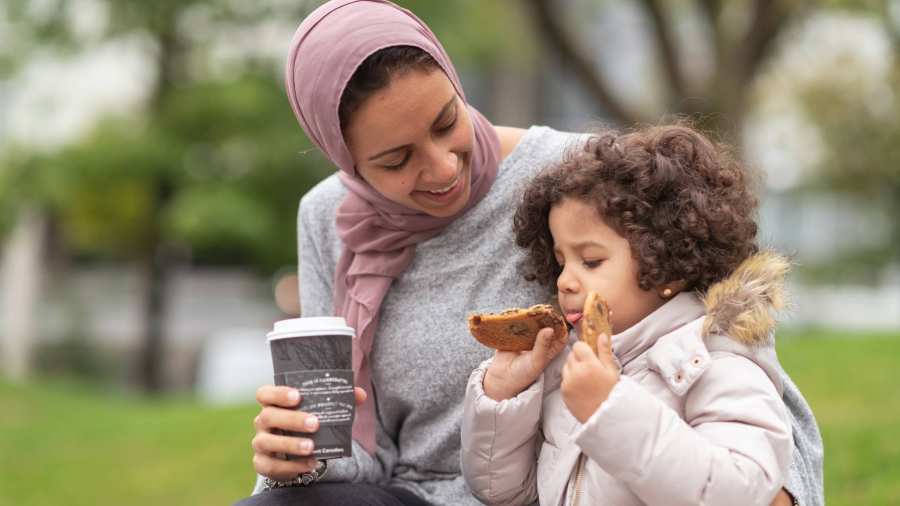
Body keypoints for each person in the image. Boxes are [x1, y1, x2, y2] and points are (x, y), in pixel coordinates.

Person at [237, 1, 824, 505]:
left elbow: (742, 362)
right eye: (395, 160)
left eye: (447, 122)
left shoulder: (578, 181)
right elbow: (359, 457)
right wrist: (305, 453)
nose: (441, 167)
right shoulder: (328, 219)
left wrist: (777, 492)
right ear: (345, 159)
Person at [461, 125, 796, 505]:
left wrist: (610, 410)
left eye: (590, 261)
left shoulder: (716, 365)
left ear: (668, 263)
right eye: (560, 262)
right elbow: (506, 493)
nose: (566, 281)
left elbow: (740, 491)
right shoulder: (570, 365)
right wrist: (504, 397)